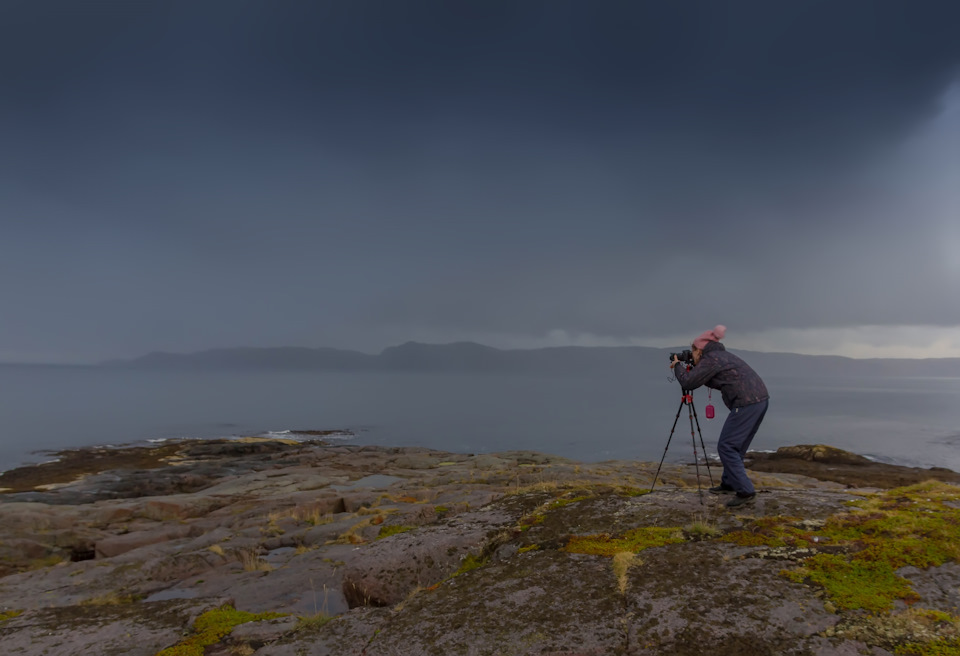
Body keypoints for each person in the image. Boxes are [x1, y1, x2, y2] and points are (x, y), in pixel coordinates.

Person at [669, 325, 769, 508]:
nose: (692, 355)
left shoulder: (711, 359)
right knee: (736, 447)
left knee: (726, 446)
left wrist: (677, 366)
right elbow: (708, 378)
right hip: (759, 400)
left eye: (693, 351)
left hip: (747, 403)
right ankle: (730, 483)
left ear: (700, 350)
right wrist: (692, 368)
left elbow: (689, 382)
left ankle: (746, 491)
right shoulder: (720, 357)